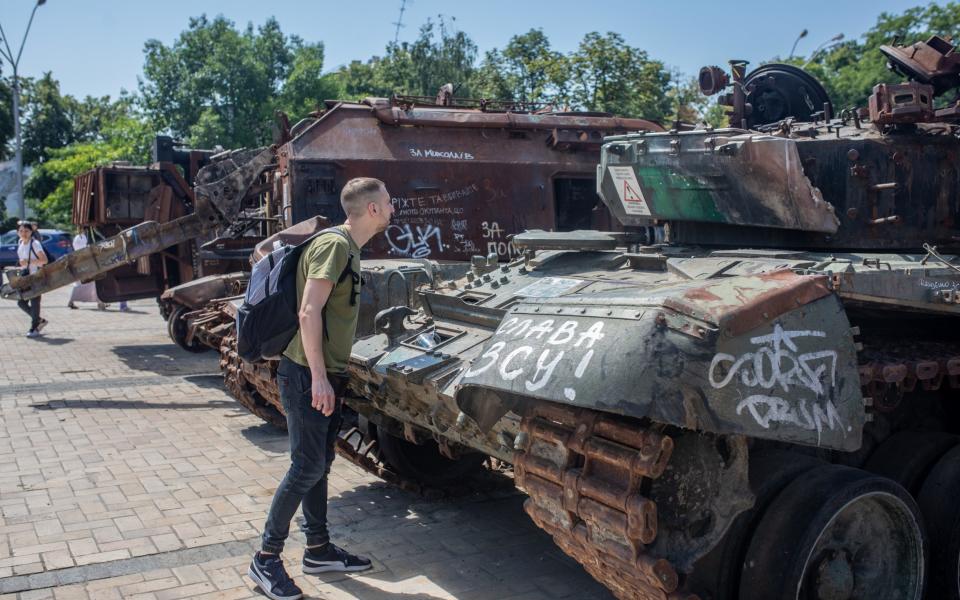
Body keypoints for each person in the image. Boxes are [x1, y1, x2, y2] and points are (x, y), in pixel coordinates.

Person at [248, 178, 394, 600]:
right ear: (371, 209)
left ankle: (317, 549)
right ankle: (266, 559)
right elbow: (309, 310)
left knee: (319, 464)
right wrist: (318, 377)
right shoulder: (335, 246)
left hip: (323, 371)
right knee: (305, 466)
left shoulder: (350, 246)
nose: (392, 206)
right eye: (387, 201)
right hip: (306, 373)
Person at [16, 221, 48, 337]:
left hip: (36, 276)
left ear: (31, 232)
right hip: (25, 278)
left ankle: (34, 328)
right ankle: (39, 320)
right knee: (21, 302)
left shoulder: (35, 244)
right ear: (17, 232)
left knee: (35, 303)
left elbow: (44, 260)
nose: (23, 233)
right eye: (21, 231)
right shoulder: (20, 242)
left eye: (26, 231)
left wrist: (29, 262)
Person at [67, 227, 107, 310]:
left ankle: (100, 302)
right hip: (84, 261)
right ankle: (100, 302)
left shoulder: (81, 237)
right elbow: (83, 250)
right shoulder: (81, 238)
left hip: (84, 261)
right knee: (87, 283)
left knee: (86, 283)